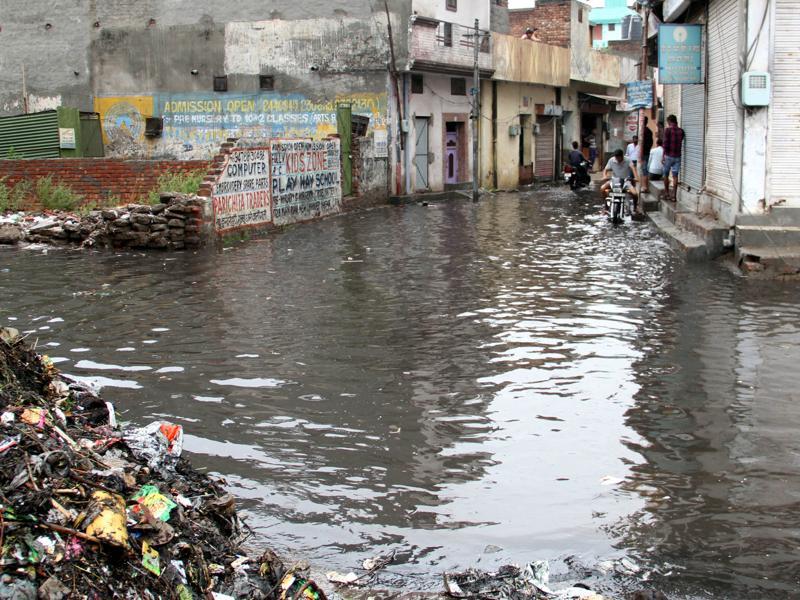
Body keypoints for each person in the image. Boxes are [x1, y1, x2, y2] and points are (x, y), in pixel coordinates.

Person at [662, 114, 684, 202]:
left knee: (666, 175)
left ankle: (667, 193)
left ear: (669, 121)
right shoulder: (681, 131)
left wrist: (663, 156)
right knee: (675, 176)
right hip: (677, 156)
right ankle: (674, 196)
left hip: (668, 156)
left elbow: (665, 144)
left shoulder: (667, 130)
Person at [640, 116, 654, 192]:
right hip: (647, 152)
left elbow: (642, 143)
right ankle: (645, 186)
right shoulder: (649, 131)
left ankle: (645, 187)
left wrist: (641, 153)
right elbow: (651, 142)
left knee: (644, 170)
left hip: (643, 154)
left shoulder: (643, 132)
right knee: (645, 170)